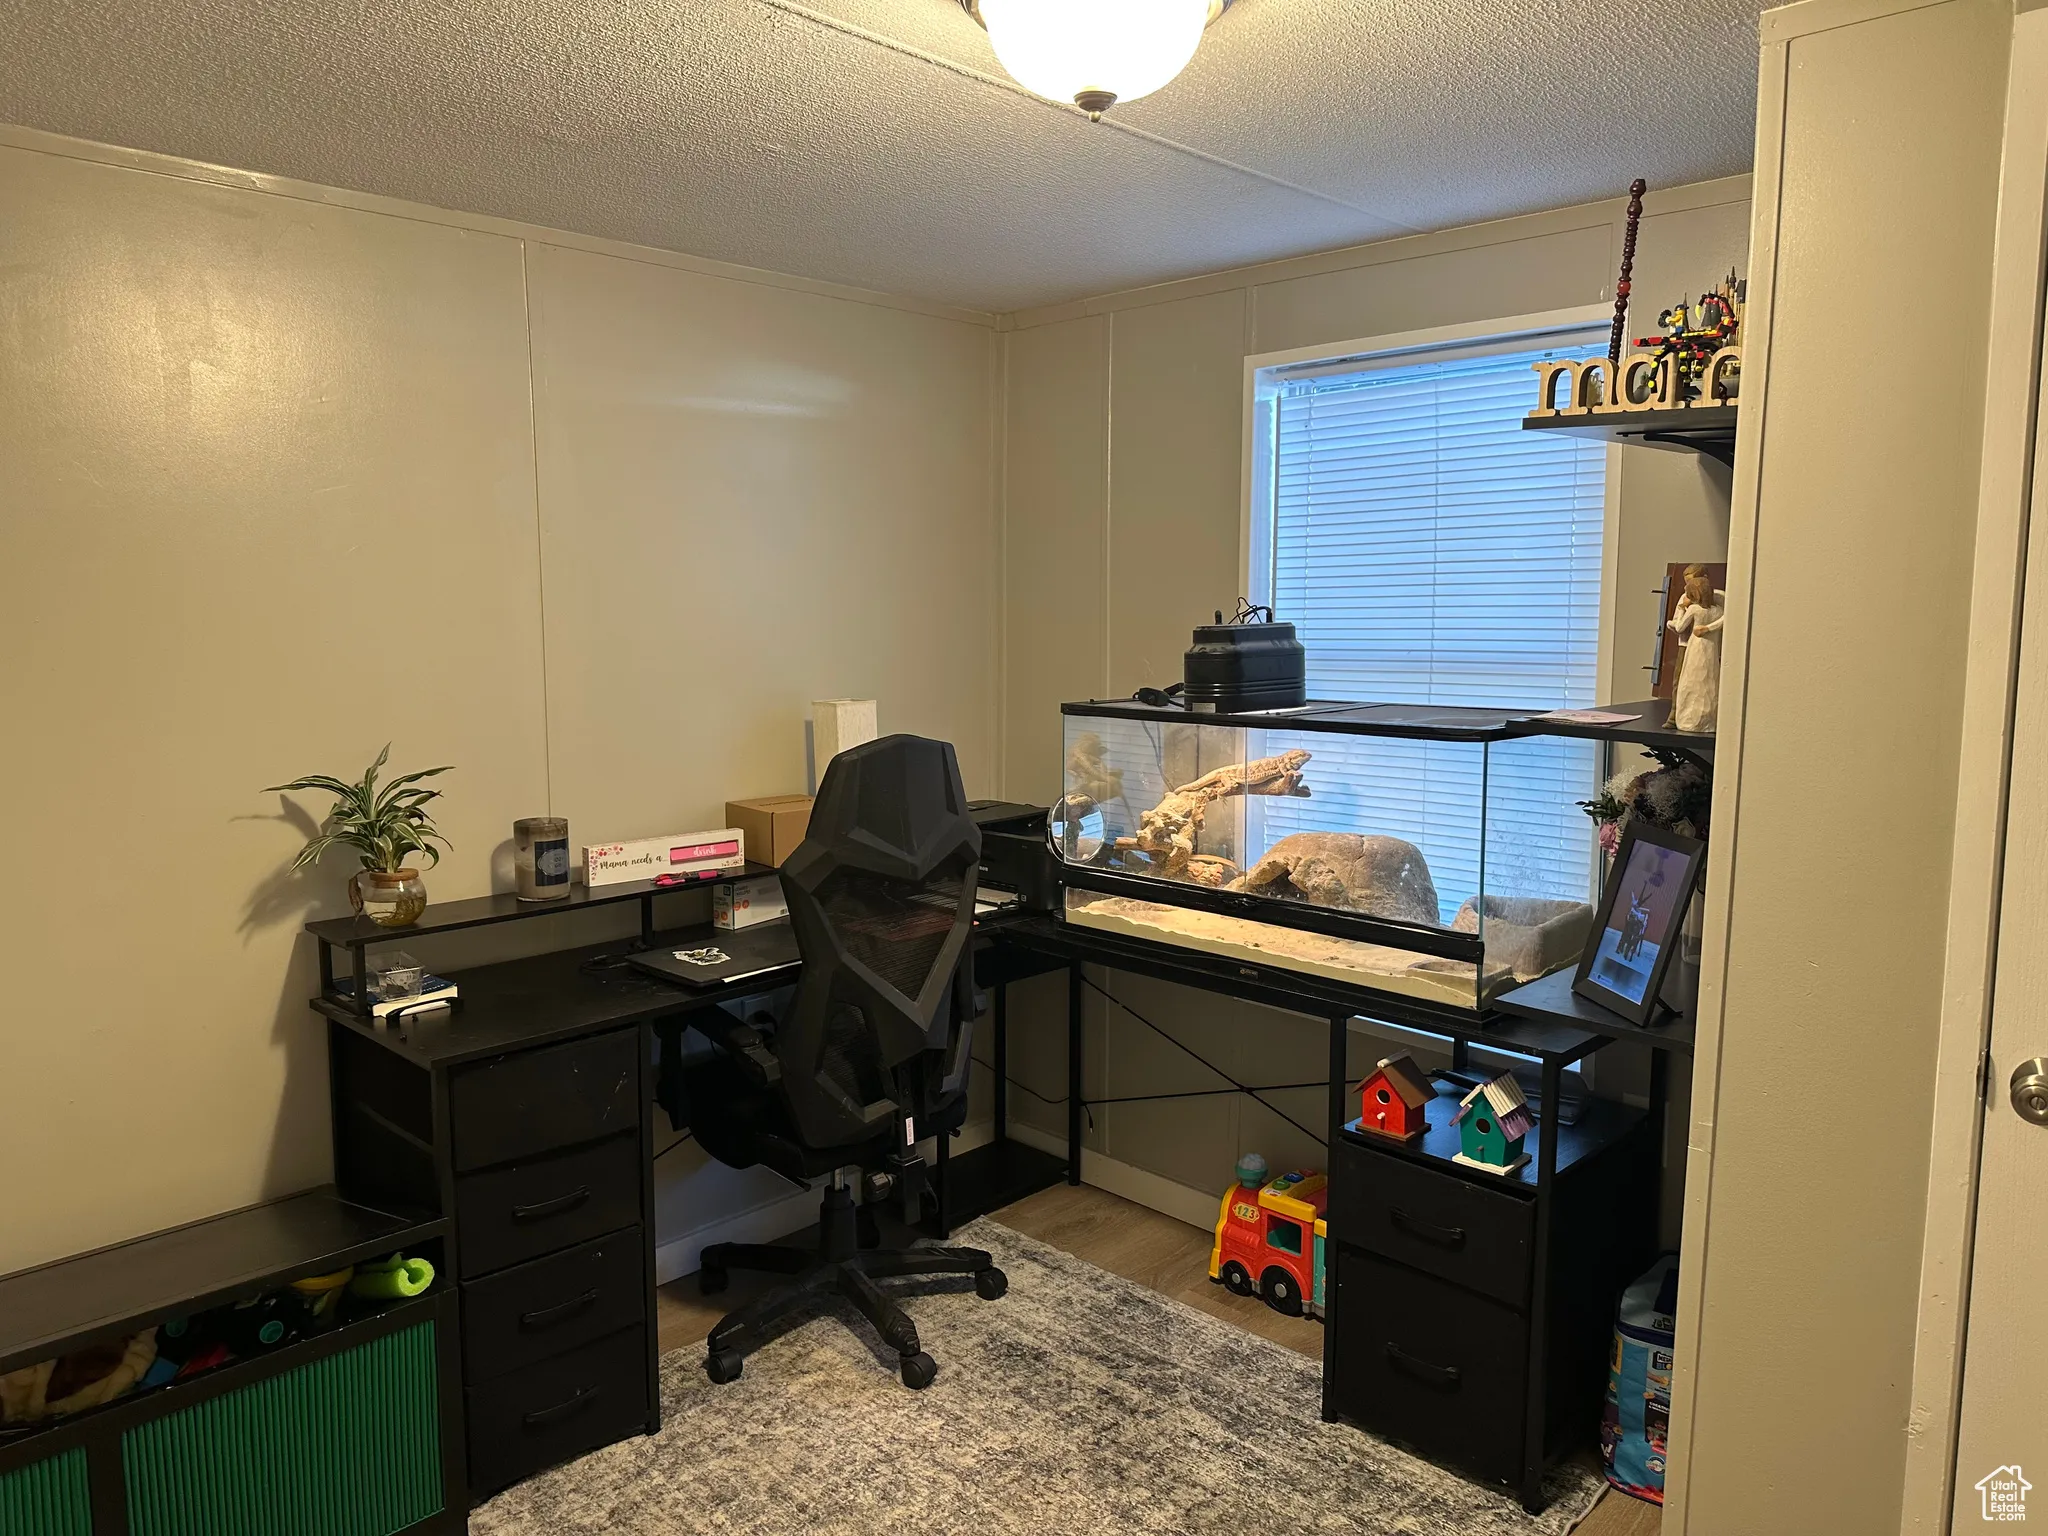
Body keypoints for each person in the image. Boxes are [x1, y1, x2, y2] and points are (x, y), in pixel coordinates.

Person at [1667, 565, 1726, 733]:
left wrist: (1705, 628)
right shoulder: (1715, 609)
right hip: (1696, 645)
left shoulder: (1710, 602)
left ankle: (1697, 718)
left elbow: (1678, 625)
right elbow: (1723, 618)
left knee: (1695, 680)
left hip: (1697, 646)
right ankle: (1677, 713)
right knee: (1690, 680)